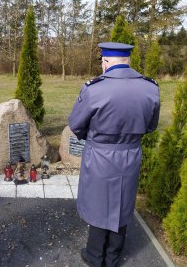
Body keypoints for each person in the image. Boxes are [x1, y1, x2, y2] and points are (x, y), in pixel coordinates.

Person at [68, 42, 160, 267]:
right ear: (127, 60)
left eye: (102, 62)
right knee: (123, 203)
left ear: (106, 62)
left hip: (100, 156)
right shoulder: (150, 88)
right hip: (130, 154)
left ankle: (95, 255)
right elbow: (151, 126)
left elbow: (76, 124)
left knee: (100, 204)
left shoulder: (94, 89)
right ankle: (112, 257)